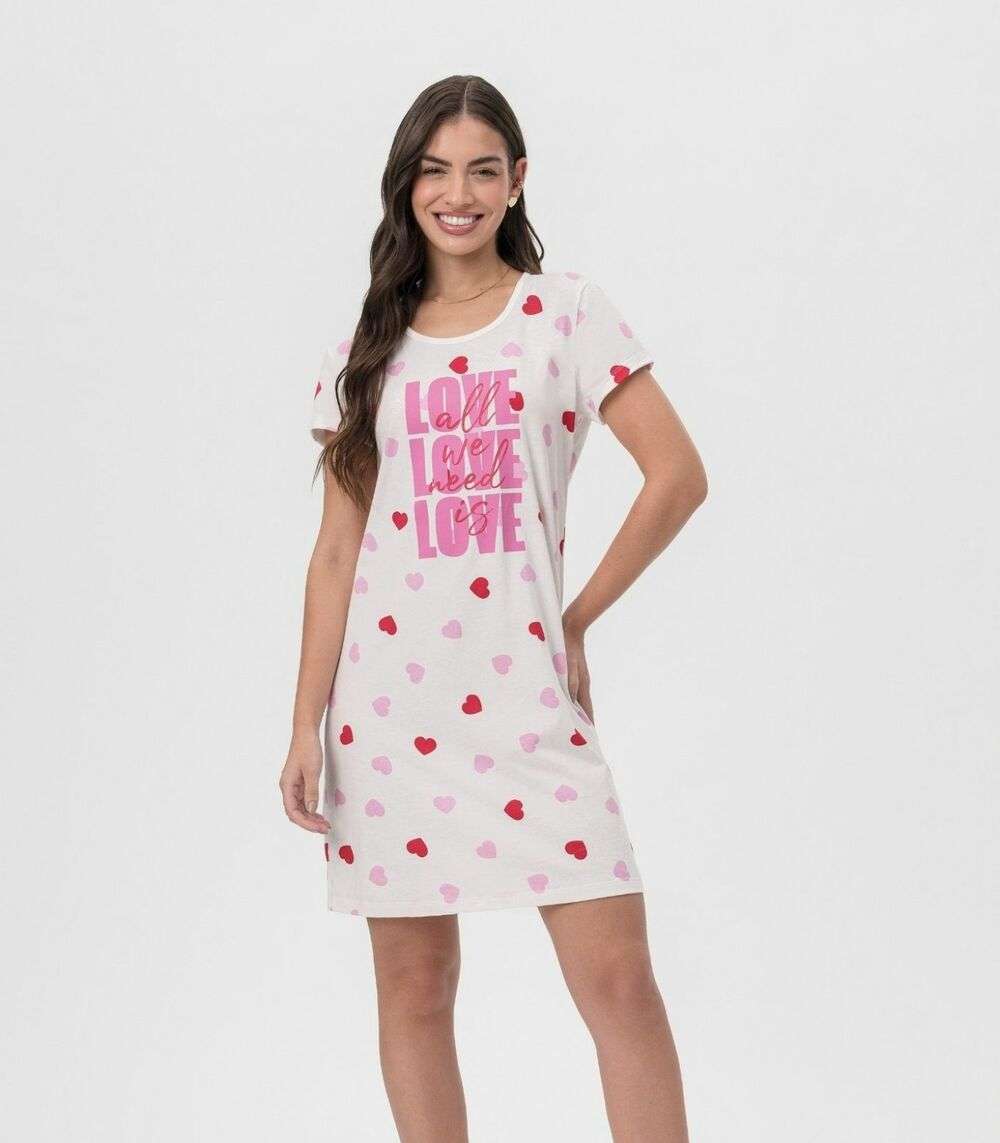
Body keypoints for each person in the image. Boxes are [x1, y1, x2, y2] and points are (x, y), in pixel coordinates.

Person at [280, 74, 706, 1142]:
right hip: (388, 717)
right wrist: (304, 724)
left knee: (619, 984)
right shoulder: (365, 351)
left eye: (480, 170)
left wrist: (575, 619)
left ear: (517, 180)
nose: (456, 194)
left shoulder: (565, 313)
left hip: (526, 704)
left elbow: (677, 477)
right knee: (414, 991)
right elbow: (335, 552)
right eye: (434, 171)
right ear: (405, 185)